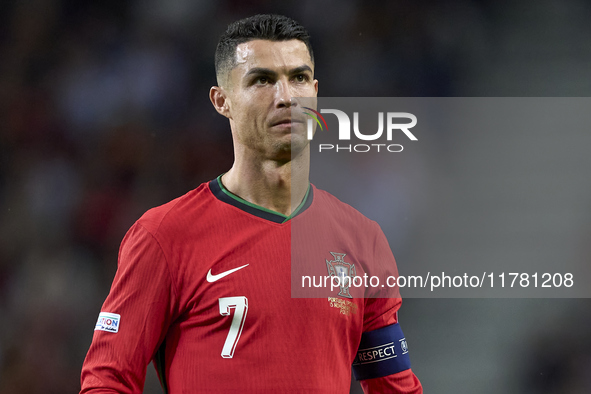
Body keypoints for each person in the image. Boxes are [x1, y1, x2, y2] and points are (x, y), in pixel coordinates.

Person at [80, 14, 422, 393]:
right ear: (221, 100)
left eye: (299, 78)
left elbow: (395, 387)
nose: (286, 97)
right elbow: (107, 379)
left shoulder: (361, 240)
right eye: (262, 80)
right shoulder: (164, 235)